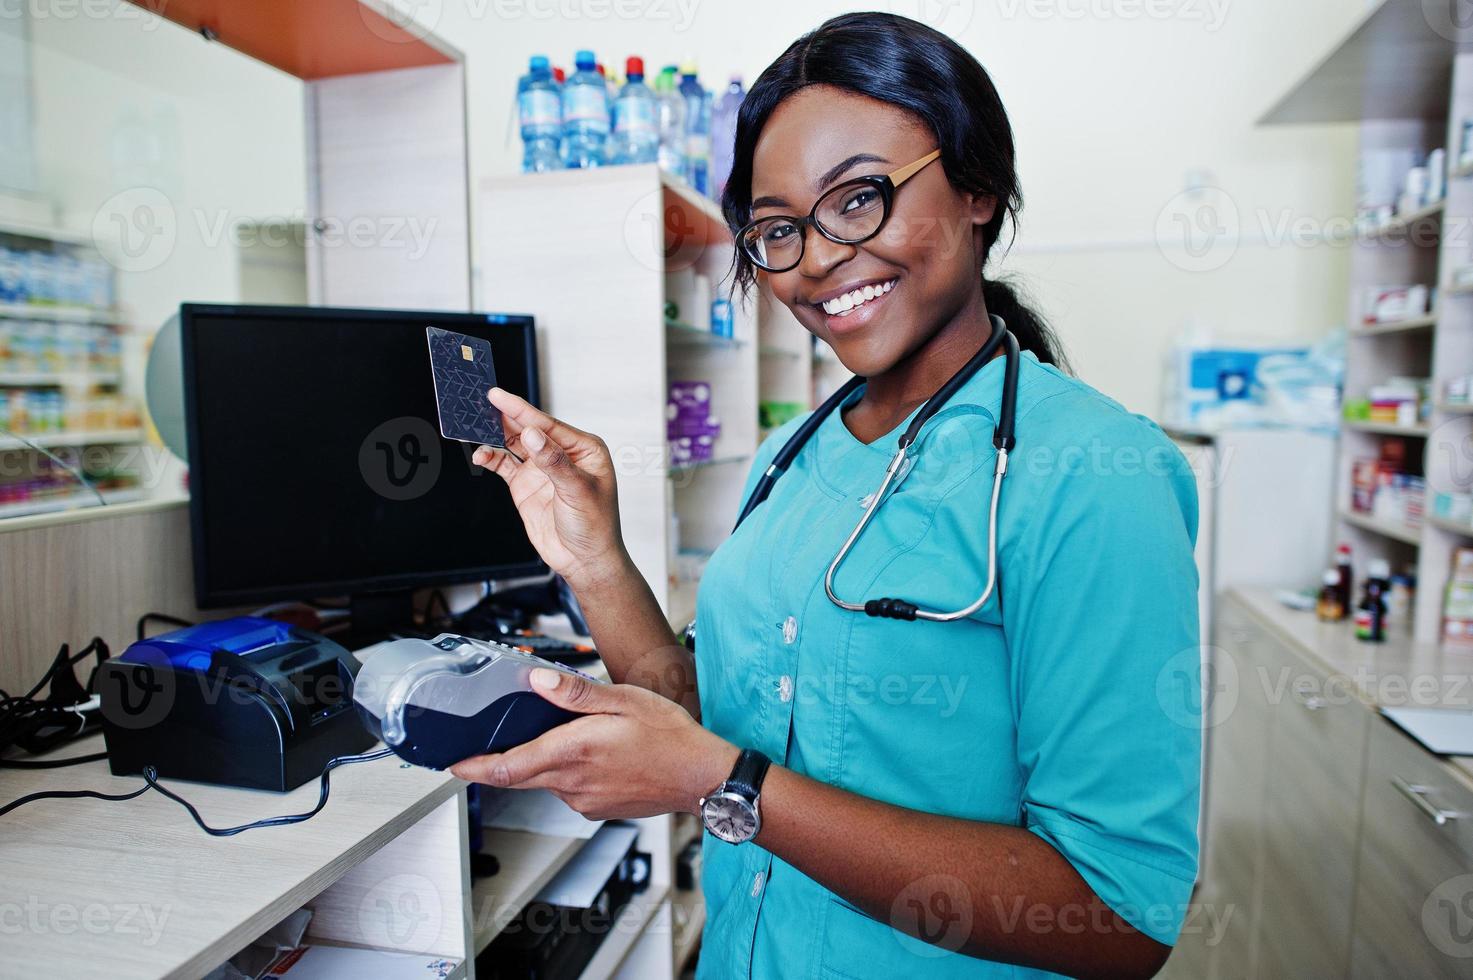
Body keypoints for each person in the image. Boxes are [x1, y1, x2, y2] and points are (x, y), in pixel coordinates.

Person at [452, 12, 1200, 978]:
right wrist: (595, 557)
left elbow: (1118, 914)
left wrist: (730, 785)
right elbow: (709, 717)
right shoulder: (791, 454)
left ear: (976, 186)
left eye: (858, 199)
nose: (813, 259)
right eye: (775, 230)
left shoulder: (1094, 479)